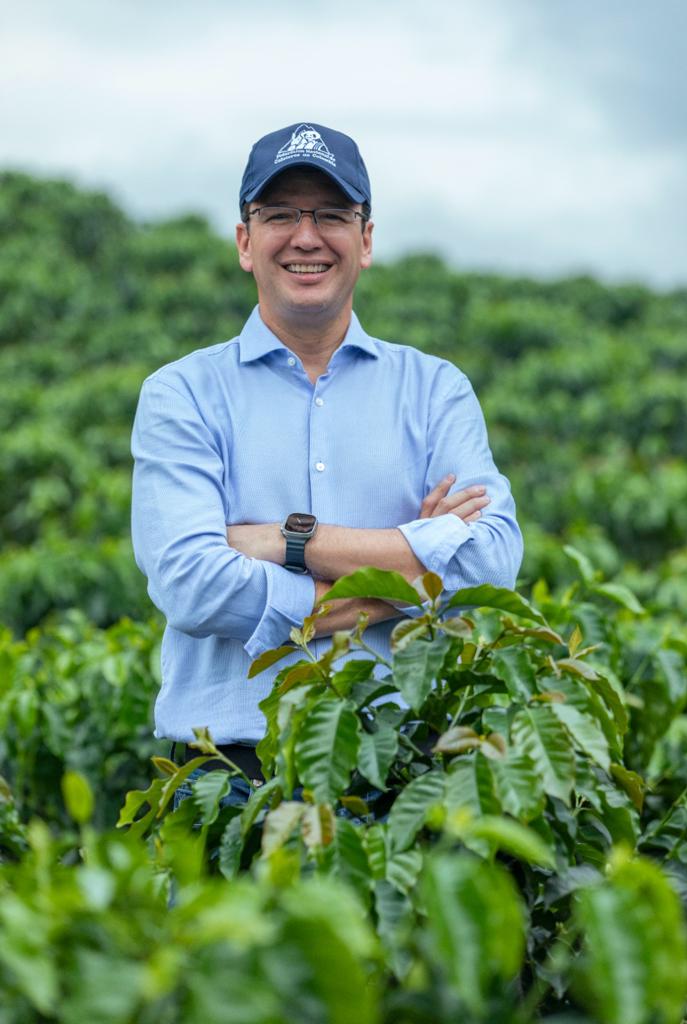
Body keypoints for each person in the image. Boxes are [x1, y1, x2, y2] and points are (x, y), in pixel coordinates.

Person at [130, 121, 523, 800]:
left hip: (402, 770)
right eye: (280, 214)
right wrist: (405, 577)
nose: (306, 237)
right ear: (245, 241)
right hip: (231, 777)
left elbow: (491, 563)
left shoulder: (436, 390)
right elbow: (193, 585)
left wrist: (288, 540)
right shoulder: (182, 394)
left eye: (331, 215)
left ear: (365, 240)